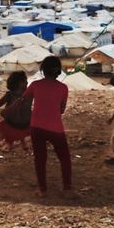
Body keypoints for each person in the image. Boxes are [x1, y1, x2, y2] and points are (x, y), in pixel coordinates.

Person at [22, 56, 74, 198]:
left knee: (40, 159)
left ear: (43, 70)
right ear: (58, 71)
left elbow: (24, 101)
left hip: (36, 126)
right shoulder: (63, 88)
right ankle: (67, 188)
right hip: (55, 128)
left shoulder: (35, 85)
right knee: (64, 158)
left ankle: (42, 189)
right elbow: (61, 110)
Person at [0, 72, 31, 152]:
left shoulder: (28, 94)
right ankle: (11, 142)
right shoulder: (10, 95)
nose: (27, 82)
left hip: (24, 122)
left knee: (20, 118)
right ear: (18, 83)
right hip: (13, 122)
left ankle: (19, 141)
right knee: (13, 122)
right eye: (24, 80)